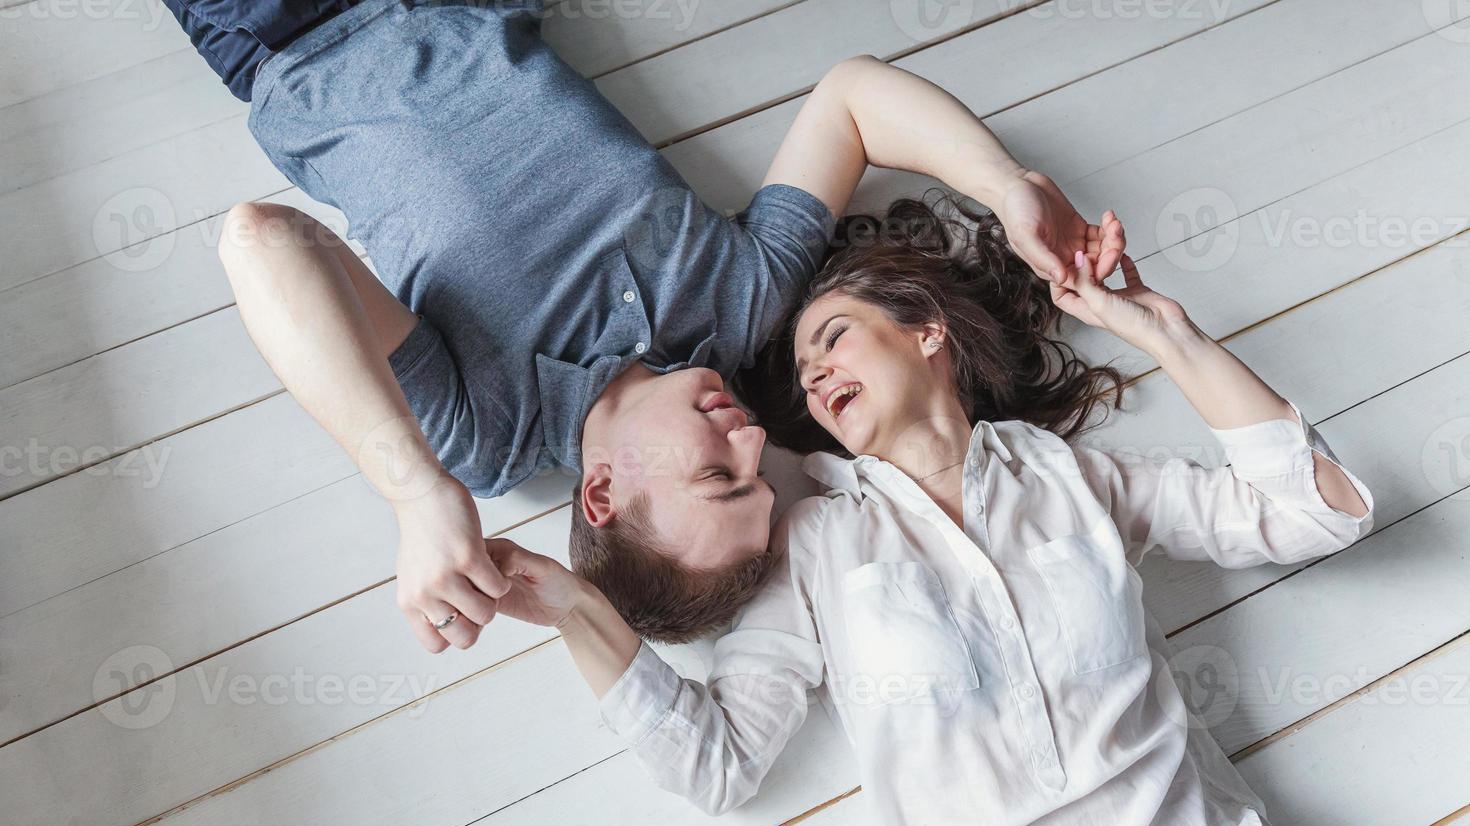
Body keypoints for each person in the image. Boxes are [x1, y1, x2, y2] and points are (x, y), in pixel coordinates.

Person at [482, 198, 1431, 826]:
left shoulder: (1075, 480)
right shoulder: (815, 542)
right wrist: (573, 608)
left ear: (927, 334)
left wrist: (1158, 328)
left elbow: (1323, 510)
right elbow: (715, 763)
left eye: (836, 339)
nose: (814, 377)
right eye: (805, 374)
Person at [168, 0, 1124, 650]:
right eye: (759, 468)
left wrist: (415, 495)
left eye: (719, 475)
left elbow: (264, 243)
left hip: (288, 32)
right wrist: (1004, 188)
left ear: (598, 494)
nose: (749, 435)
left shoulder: (491, 434)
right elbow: (855, 98)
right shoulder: (738, 308)